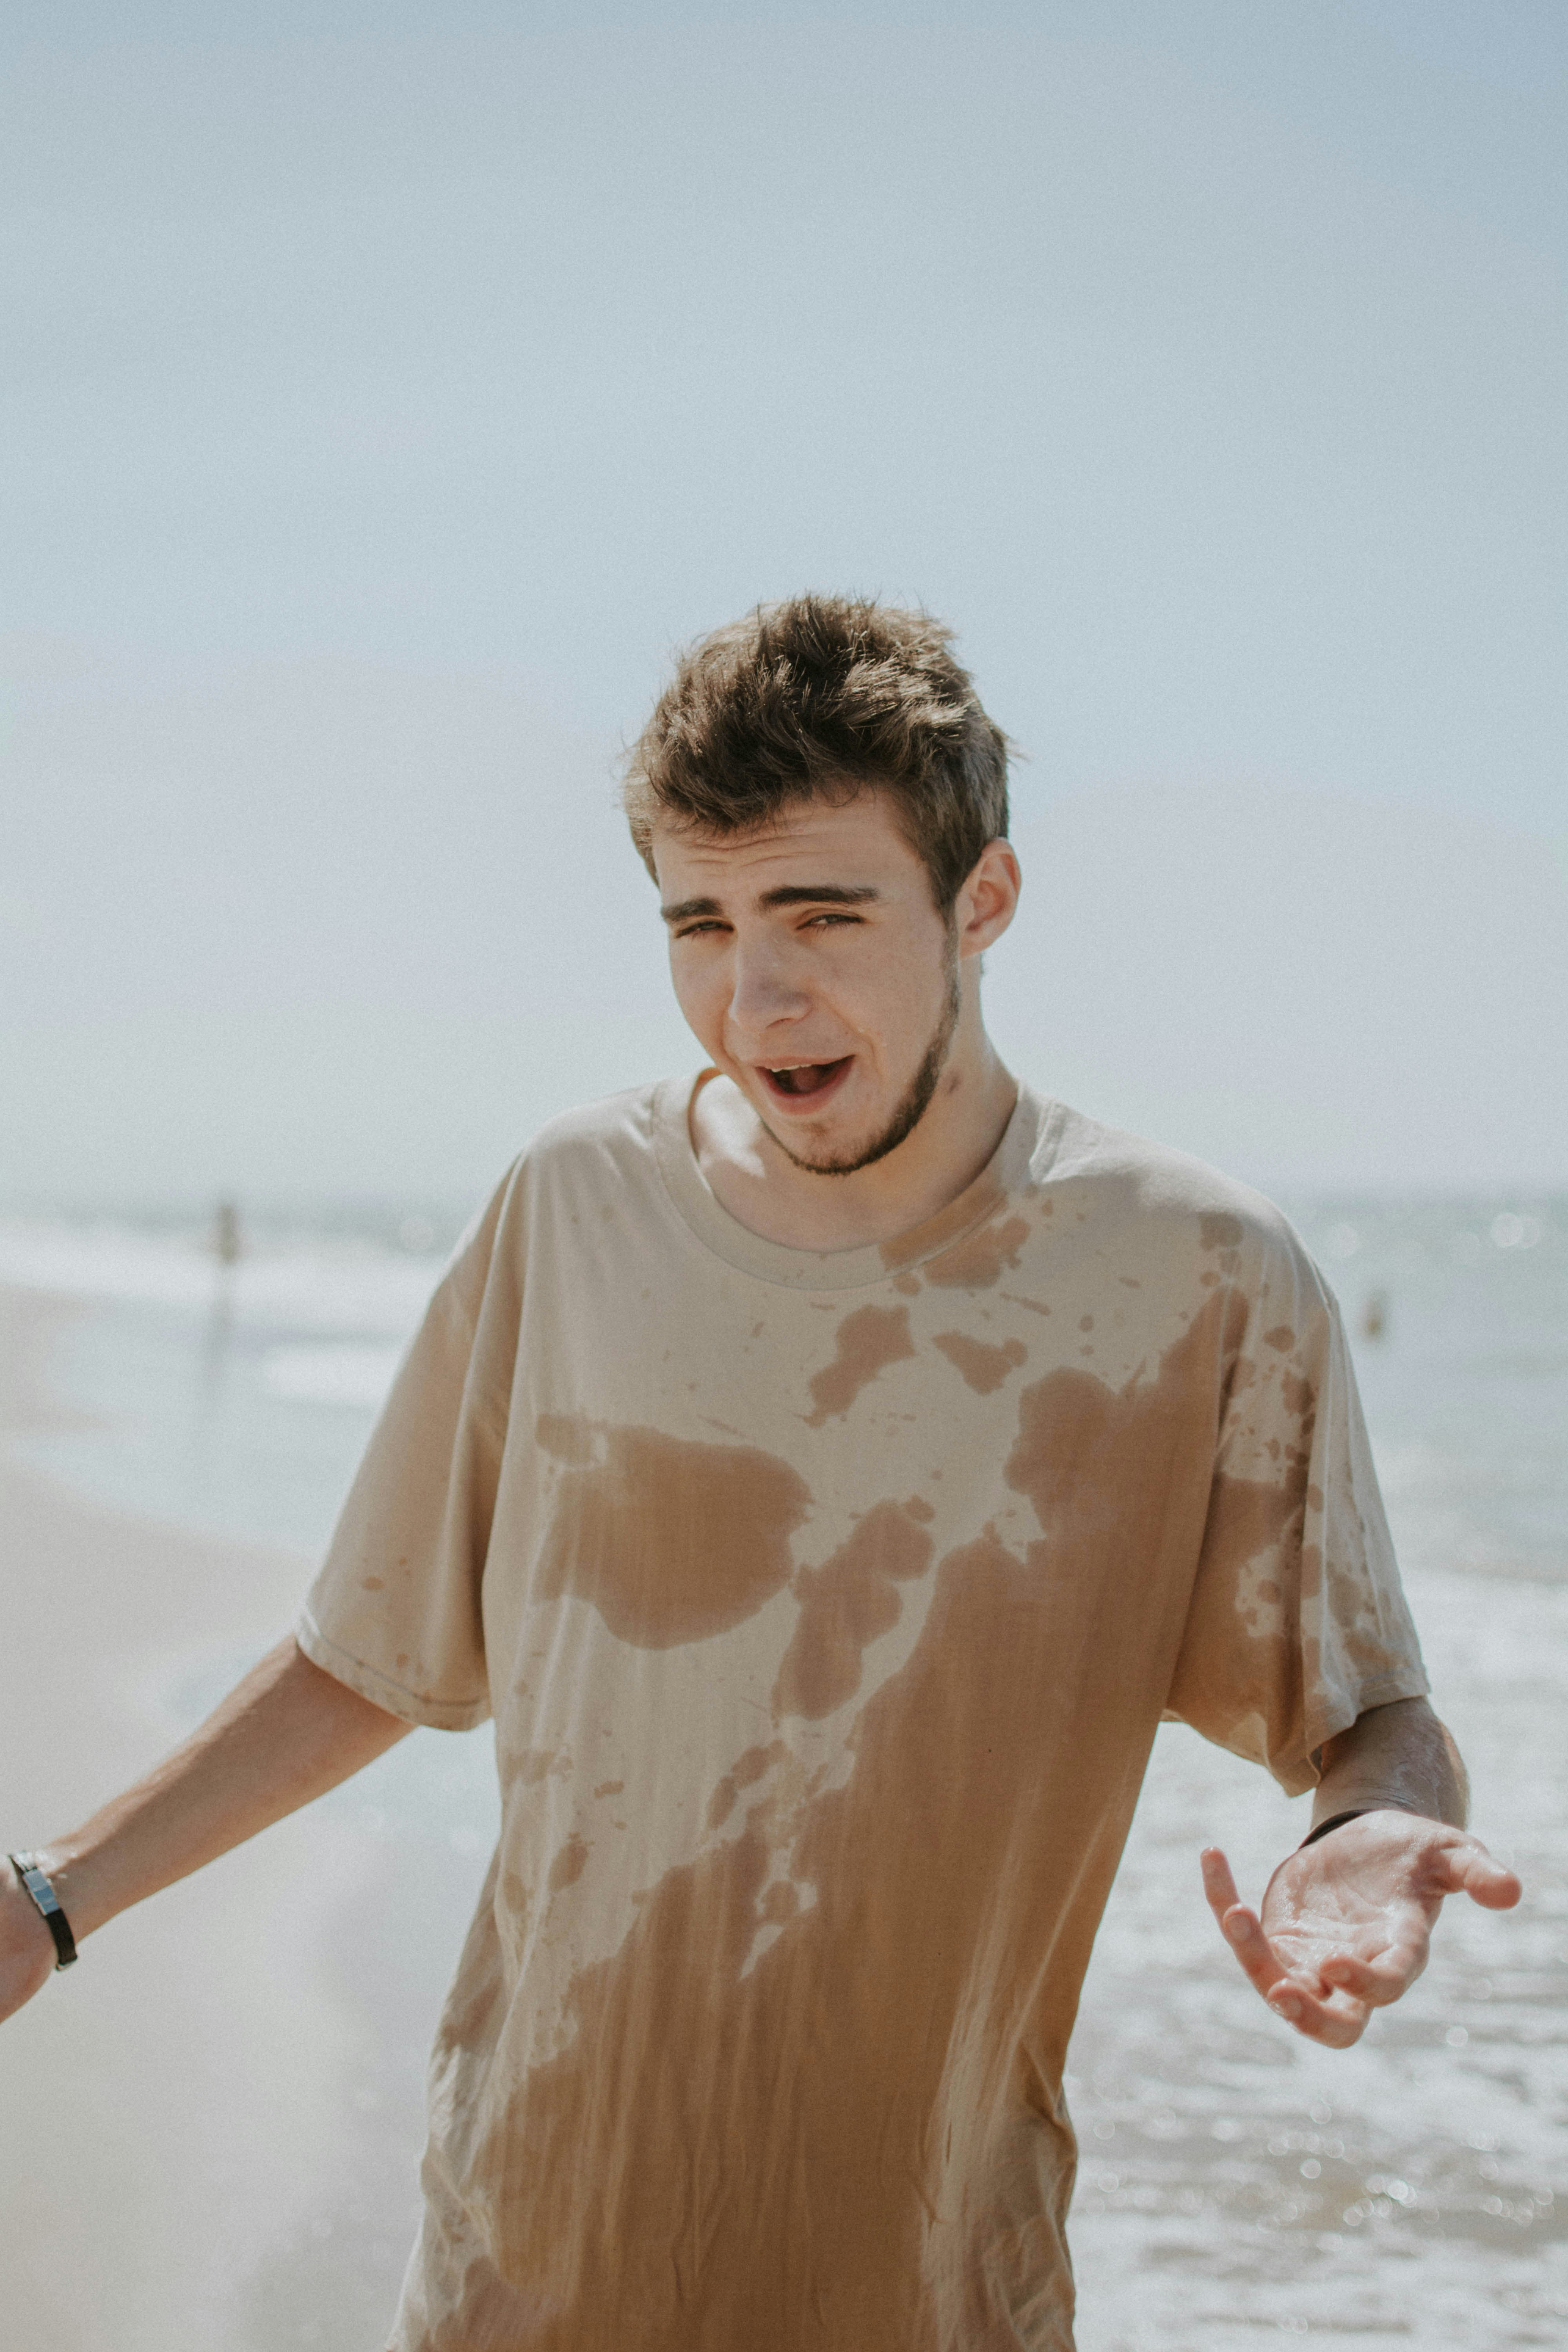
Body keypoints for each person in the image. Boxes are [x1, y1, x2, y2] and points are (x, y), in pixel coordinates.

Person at [1, 597, 1521, 2350]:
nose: (755, 996)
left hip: (938, 2296)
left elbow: (1358, 1706)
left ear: (983, 905)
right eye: (701, 925)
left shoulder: (1195, 1275)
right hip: (520, 2269)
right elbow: (375, 1651)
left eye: (821, 916)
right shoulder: (572, 1208)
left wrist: (1377, 1825)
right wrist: (53, 1906)